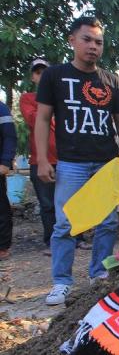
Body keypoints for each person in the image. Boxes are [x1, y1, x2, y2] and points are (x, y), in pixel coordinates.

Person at [35, 16, 119, 305]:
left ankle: (98, 275)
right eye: (87, 39)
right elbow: (42, 118)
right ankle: (61, 282)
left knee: (106, 223)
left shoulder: (111, 82)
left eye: (98, 42)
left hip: (106, 162)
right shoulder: (55, 77)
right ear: (72, 40)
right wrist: (43, 159)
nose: (93, 46)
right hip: (70, 163)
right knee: (66, 223)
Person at [19, 59, 58, 255]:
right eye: (37, 72)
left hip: (66, 160)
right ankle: (52, 241)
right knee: (48, 204)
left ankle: (77, 238)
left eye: (45, 71)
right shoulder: (27, 98)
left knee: (70, 202)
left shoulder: (61, 97)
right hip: (40, 160)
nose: (41, 75)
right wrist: (48, 110)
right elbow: (35, 120)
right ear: (33, 77)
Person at [0, 100, 17, 261]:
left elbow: (10, 136)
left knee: (1, 207)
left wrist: (5, 161)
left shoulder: (1, 108)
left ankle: (2, 246)